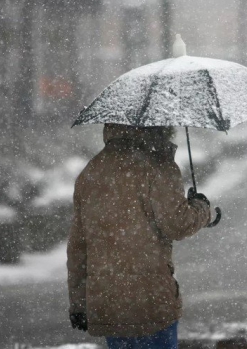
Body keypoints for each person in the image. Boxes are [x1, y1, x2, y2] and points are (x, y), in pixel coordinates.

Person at [67, 124, 217, 349]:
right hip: (150, 300)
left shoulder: (91, 171)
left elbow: (78, 247)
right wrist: (201, 208)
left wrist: (78, 303)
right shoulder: (158, 166)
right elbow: (178, 224)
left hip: (108, 302)